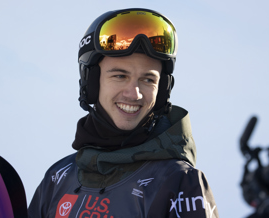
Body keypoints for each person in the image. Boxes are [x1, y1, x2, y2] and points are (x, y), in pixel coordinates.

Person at [28, 8, 218, 218]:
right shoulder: (58, 177)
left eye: (148, 80)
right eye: (120, 76)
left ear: (163, 90)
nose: (134, 94)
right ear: (91, 83)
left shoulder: (178, 182)